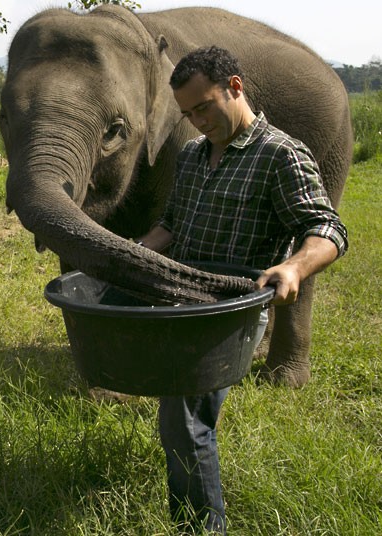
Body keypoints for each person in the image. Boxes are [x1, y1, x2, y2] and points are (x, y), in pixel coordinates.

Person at [135, 46, 348, 533]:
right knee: (181, 414)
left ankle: (202, 527)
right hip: (186, 302)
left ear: (235, 87)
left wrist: (294, 267)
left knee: (186, 421)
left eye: (203, 107)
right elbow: (172, 224)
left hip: (231, 311)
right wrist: (134, 252)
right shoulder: (192, 155)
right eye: (187, 113)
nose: (196, 120)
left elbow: (328, 229)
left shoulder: (280, 154)